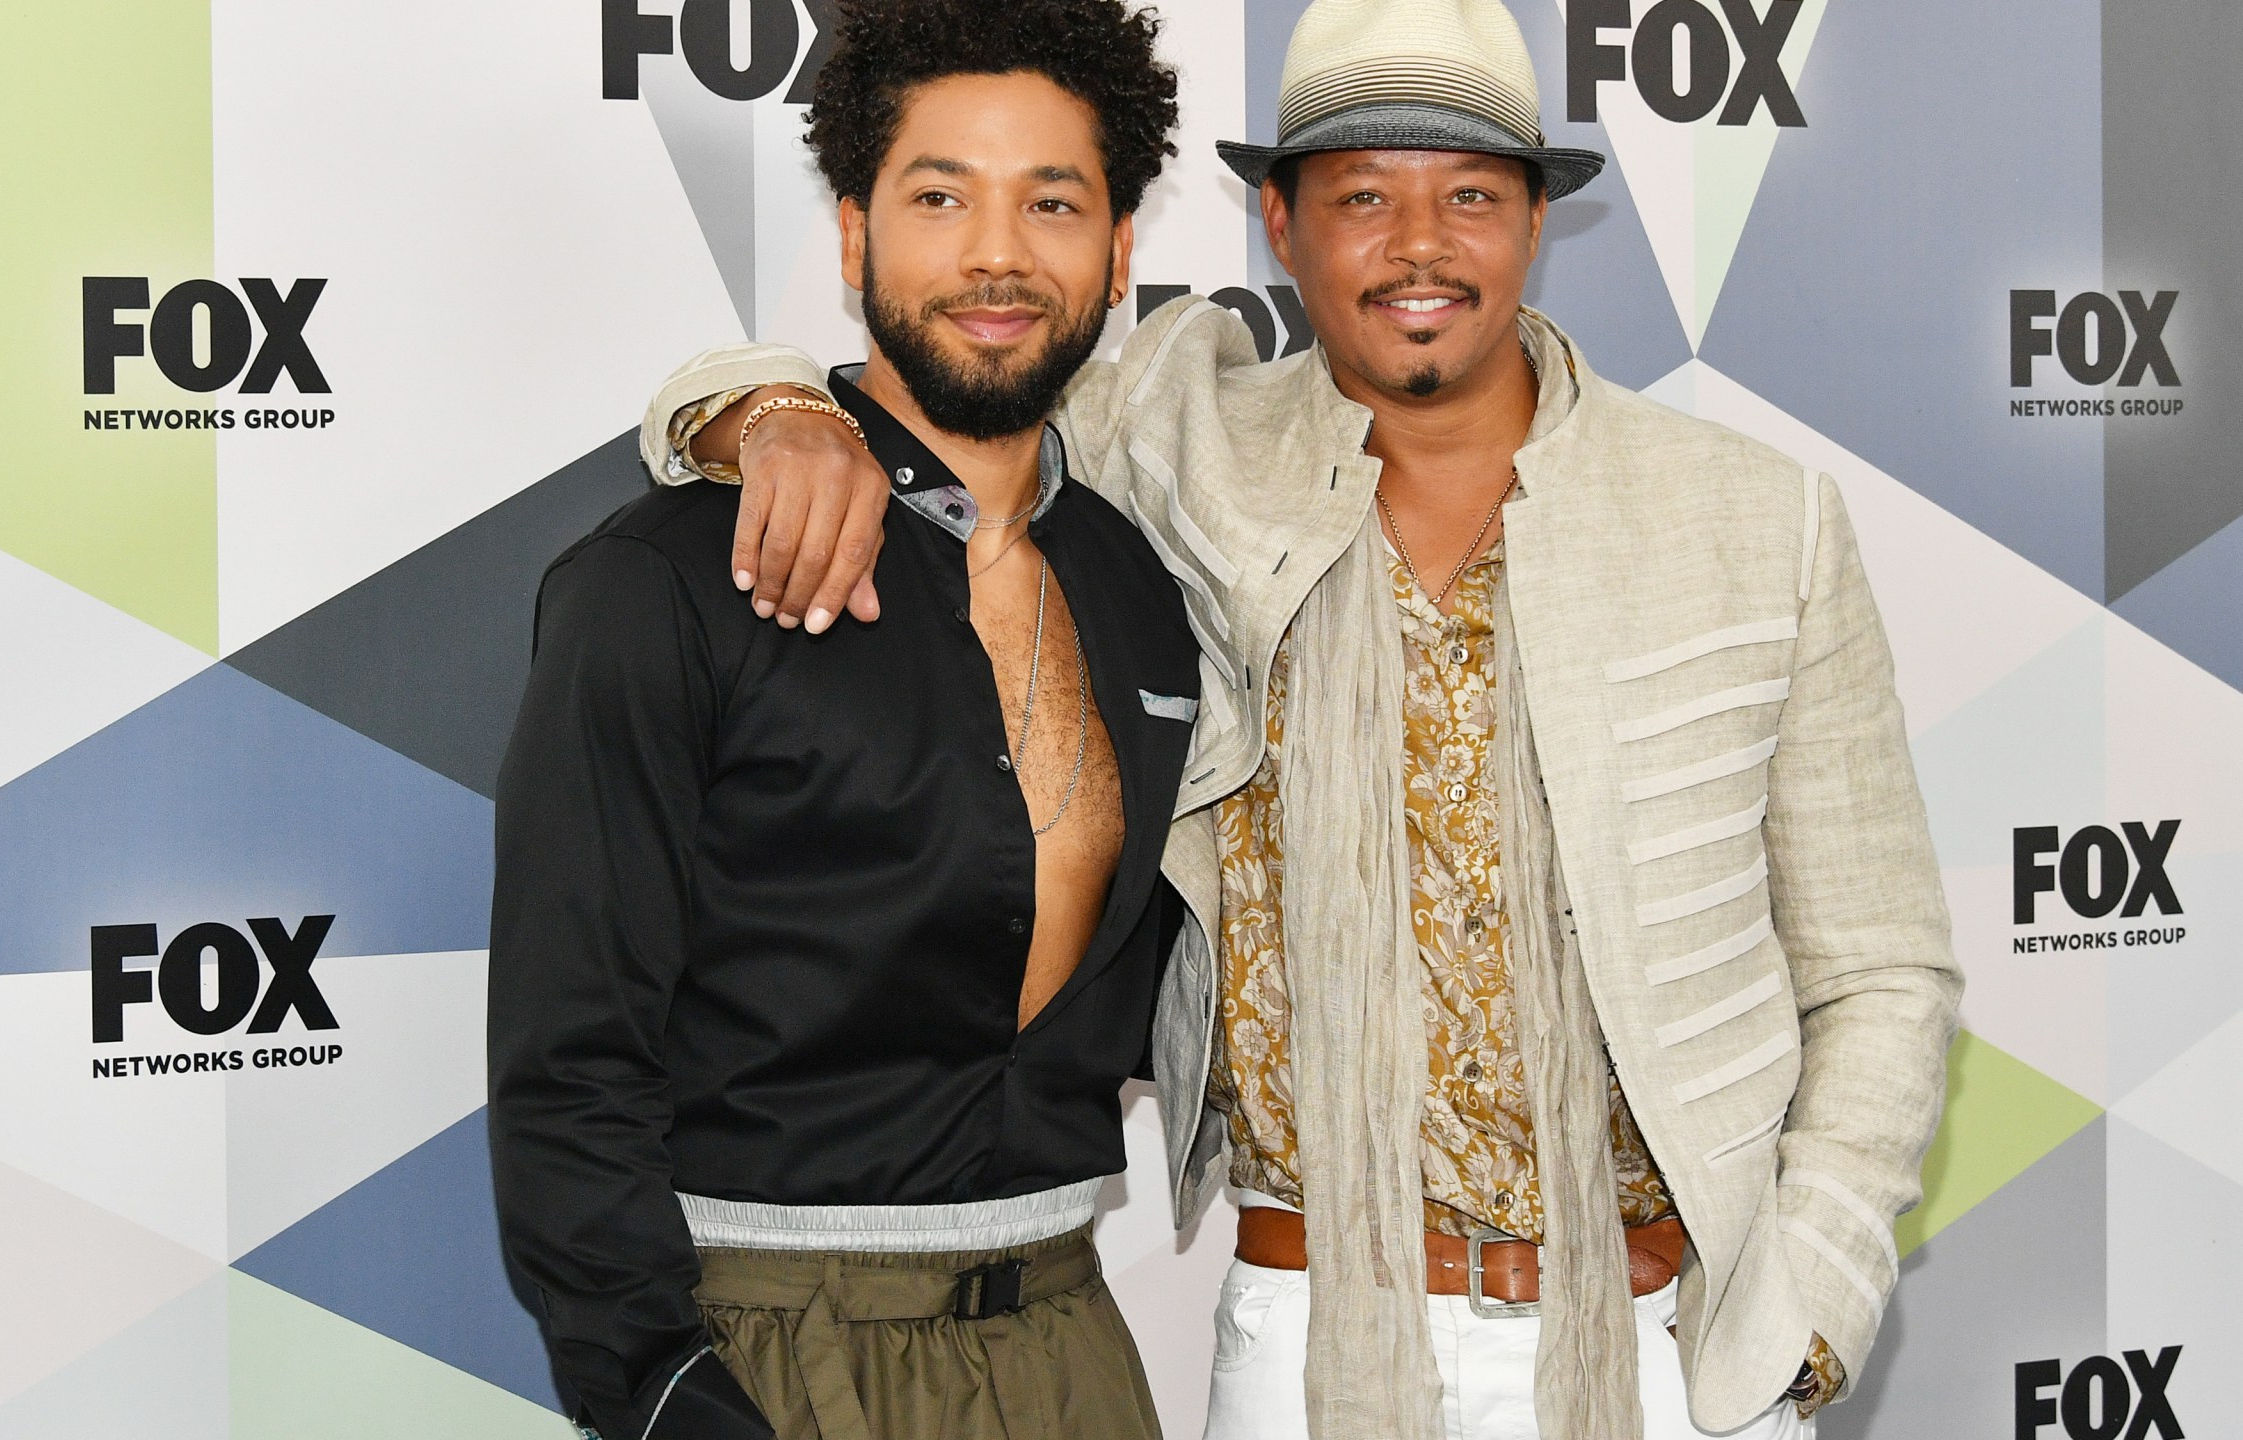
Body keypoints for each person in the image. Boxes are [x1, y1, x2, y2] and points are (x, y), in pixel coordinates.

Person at [639, 0, 1963, 1436]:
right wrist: (765, 416)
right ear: (1280, 224)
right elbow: (941, 374)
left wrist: (1811, 1309)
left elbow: (1883, 970)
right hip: (1304, 1345)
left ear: (1534, 225)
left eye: (1469, 195)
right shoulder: (1173, 427)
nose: (1418, 247)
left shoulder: (1756, 519)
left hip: (1664, 1352)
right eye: (1361, 198)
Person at [485, 4, 1200, 1439]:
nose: (996, 253)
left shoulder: (1142, 582)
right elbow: (568, 1066)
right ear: (855, 238)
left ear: (1119, 251)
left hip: (1075, 1346)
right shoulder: (667, 582)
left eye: (1050, 203)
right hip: (763, 1351)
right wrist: (661, 1384)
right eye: (939, 198)